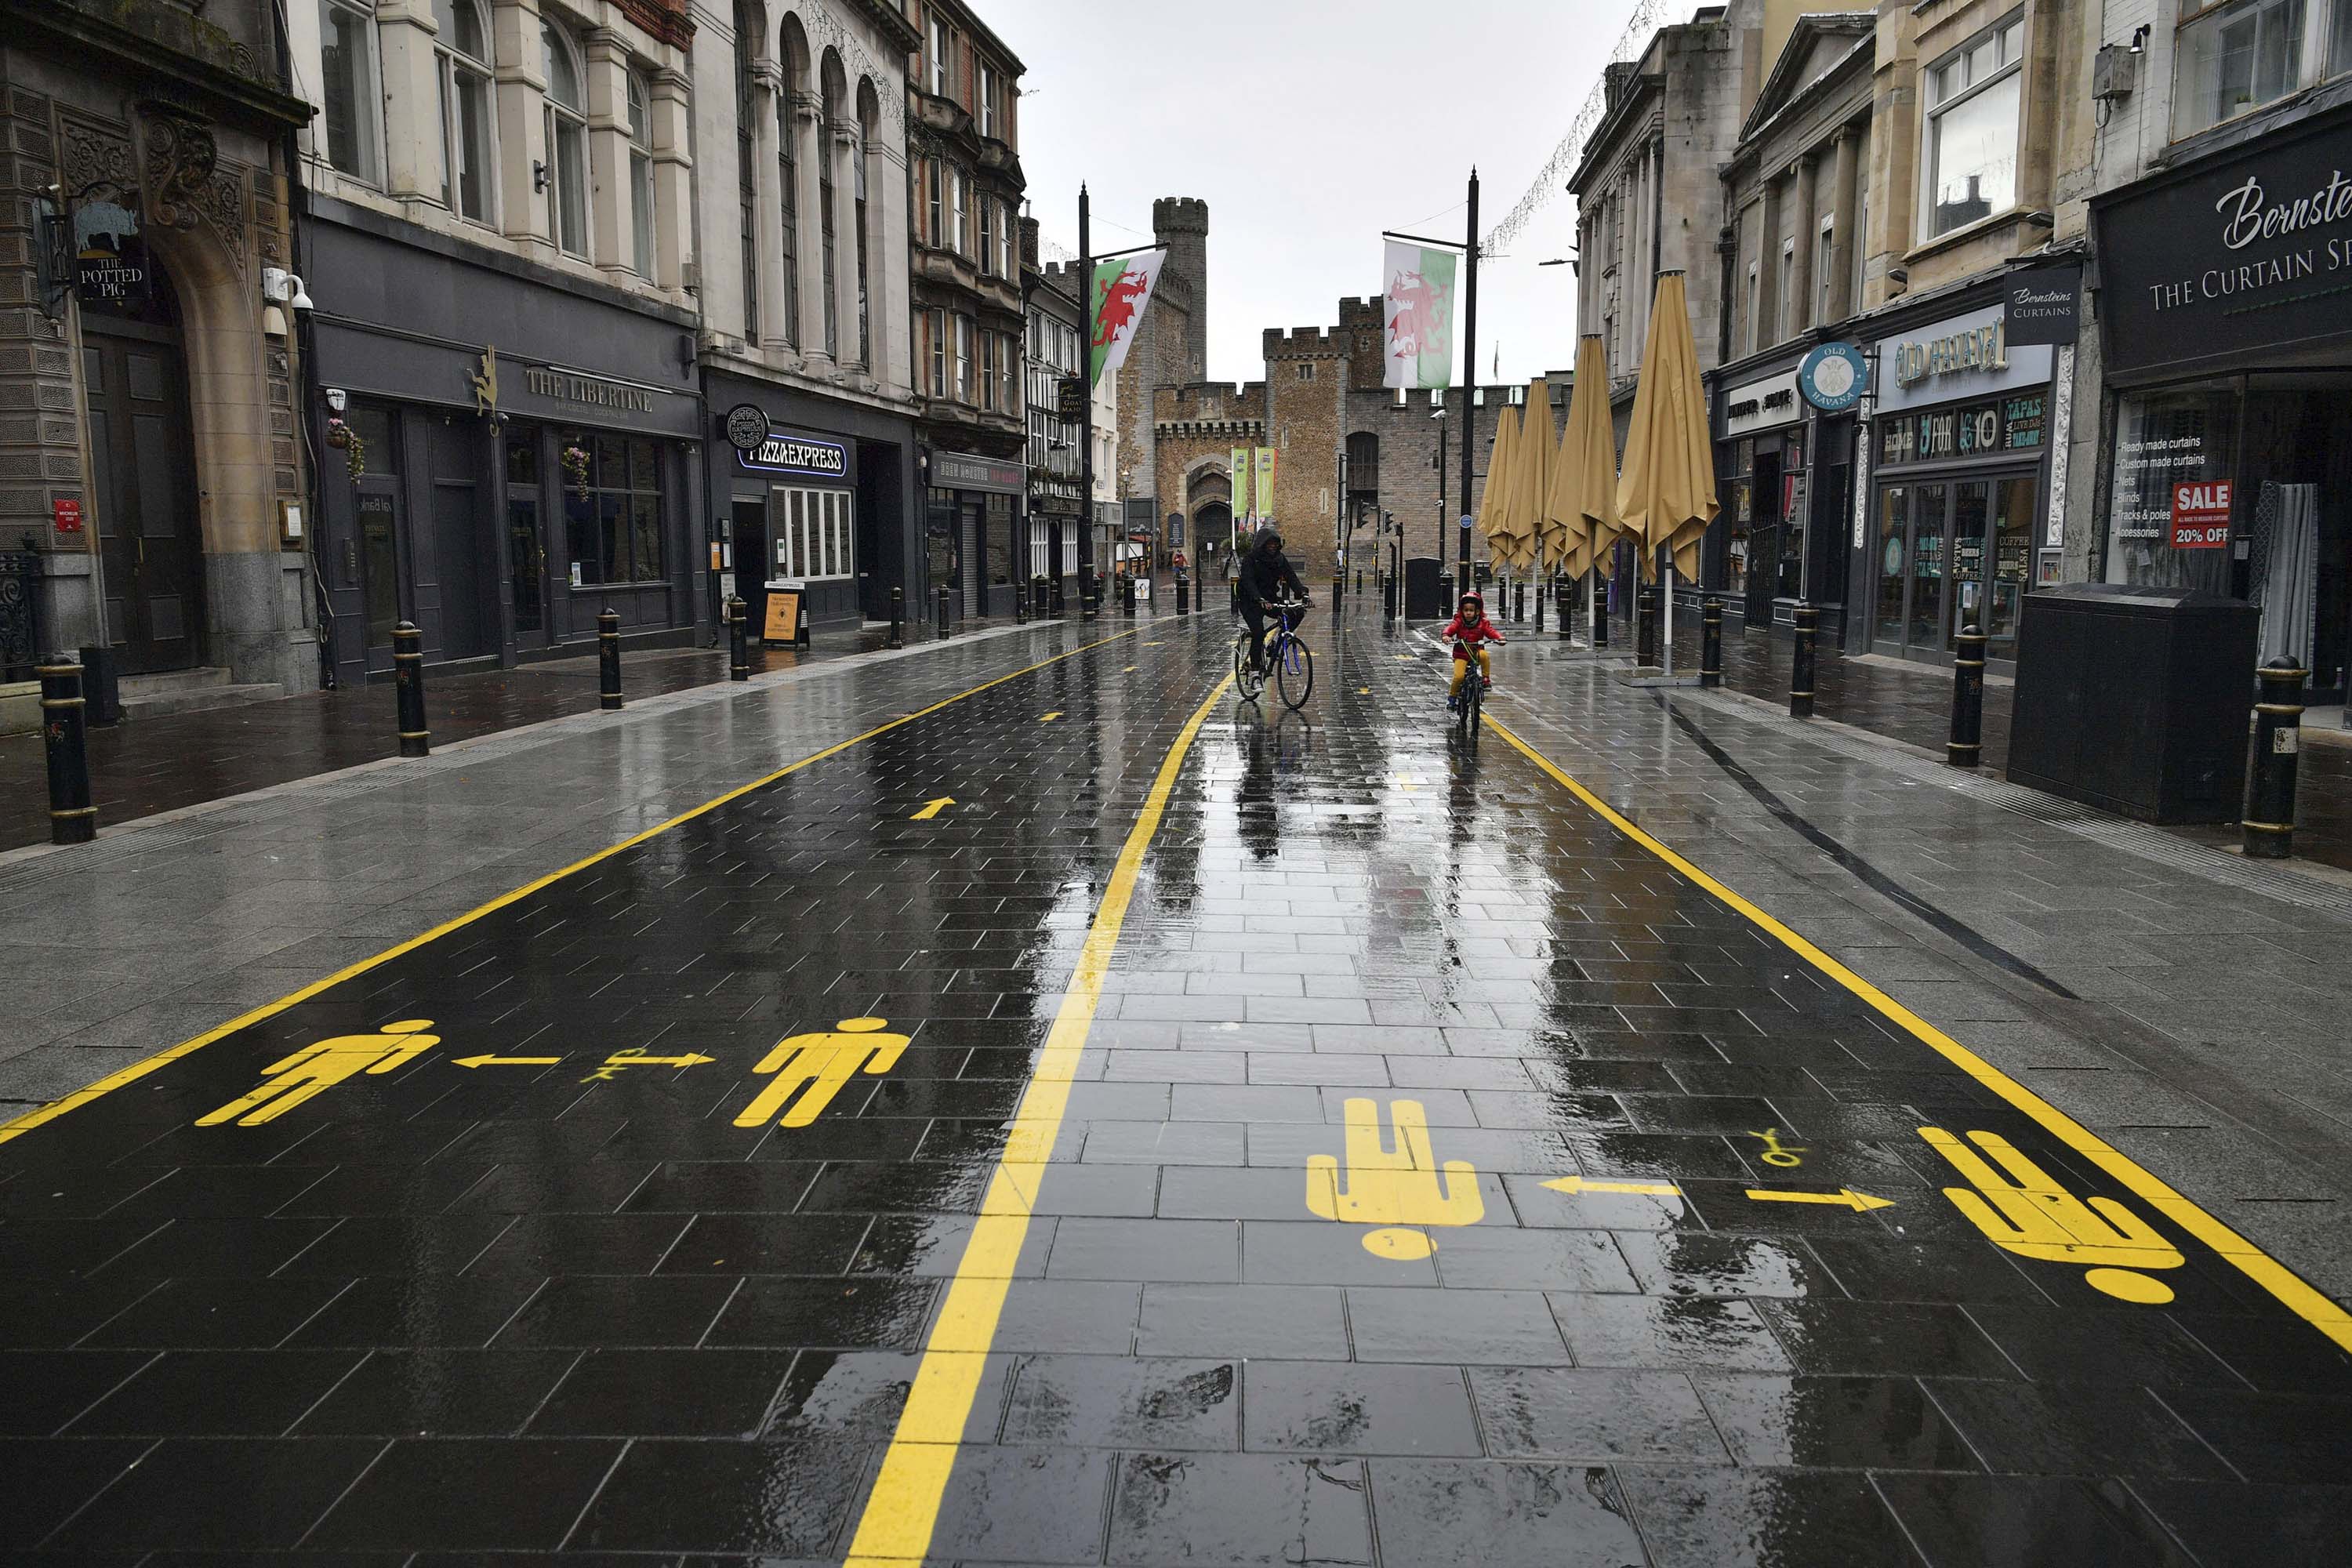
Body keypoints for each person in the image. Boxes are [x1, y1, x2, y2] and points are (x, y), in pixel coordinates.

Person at [1237, 528, 1310, 673]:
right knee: (1258, 633)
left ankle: (1275, 643)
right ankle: (1255, 672)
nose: (1272, 546)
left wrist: (1302, 593)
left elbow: (1291, 576)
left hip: (1270, 599)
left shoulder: (1279, 559)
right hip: (1250, 600)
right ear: (1262, 544)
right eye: (1269, 543)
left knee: (1297, 612)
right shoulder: (1251, 559)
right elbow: (1248, 581)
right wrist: (1258, 598)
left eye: (1275, 544)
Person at [1442, 591, 1504, 711]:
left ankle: (1486, 679)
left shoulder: (1483, 623)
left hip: (1476, 653)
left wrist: (1499, 638)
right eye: (1466, 610)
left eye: (1471, 610)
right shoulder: (1459, 622)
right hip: (1461, 654)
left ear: (1477, 611)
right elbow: (1451, 628)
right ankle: (1452, 697)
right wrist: (1446, 635)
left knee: (1485, 655)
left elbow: (1491, 632)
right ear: (1462, 611)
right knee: (1459, 677)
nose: (1468, 613)